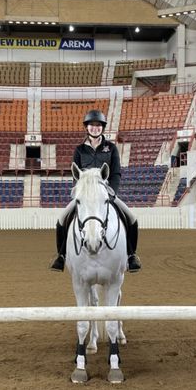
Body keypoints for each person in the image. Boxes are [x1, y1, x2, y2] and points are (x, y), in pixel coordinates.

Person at [50, 109, 142, 273]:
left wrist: (111, 192)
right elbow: (76, 174)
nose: (95, 128)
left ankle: (131, 255)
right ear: (87, 127)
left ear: (102, 128)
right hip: (85, 194)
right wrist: (80, 193)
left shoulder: (111, 148)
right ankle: (61, 256)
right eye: (92, 125)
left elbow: (115, 173)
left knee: (132, 219)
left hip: (105, 193)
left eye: (98, 125)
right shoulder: (79, 150)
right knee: (62, 219)